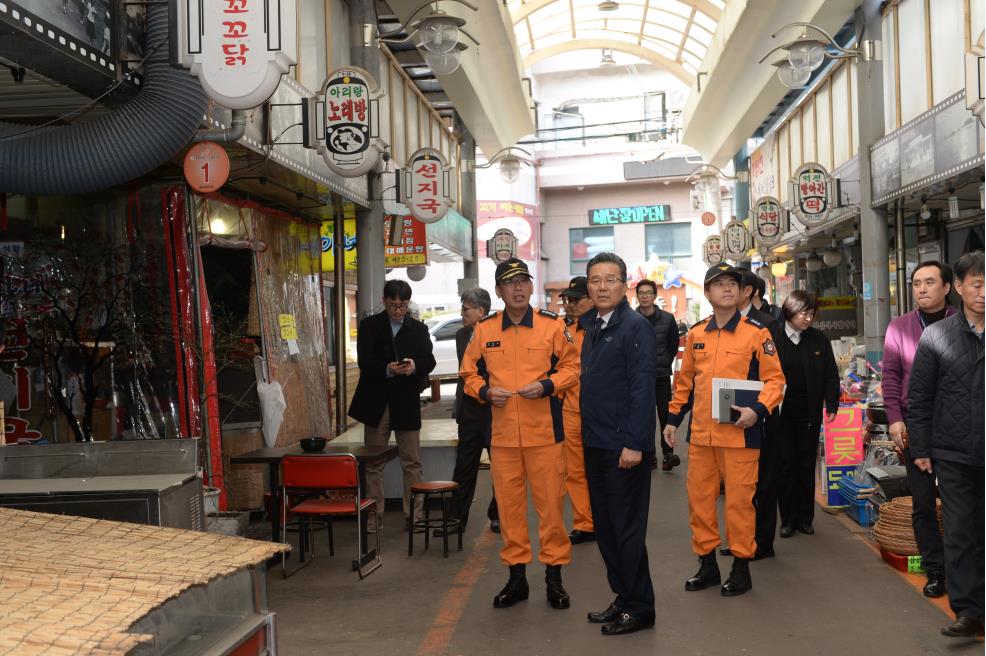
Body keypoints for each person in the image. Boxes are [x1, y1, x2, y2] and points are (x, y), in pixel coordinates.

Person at [460, 258, 579, 610]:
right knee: (510, 511)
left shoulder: (551, 327)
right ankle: (517, 579)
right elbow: (468, 373)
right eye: (510, 283)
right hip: (503, 438)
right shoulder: (484, 330)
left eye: (523, 282)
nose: (518, 288)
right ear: (499, 291)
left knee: (551, 510)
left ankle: (554, 578)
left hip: (544, 435)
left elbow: (573, 368)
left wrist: (546, 386)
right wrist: (483, 392)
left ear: (530, 287)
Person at [664, 263, 785, 597]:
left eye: (733, 283)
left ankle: (741, 567)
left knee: (739, 504)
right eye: (719, 284)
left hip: (741, 434)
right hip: (702, 435)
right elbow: (685, 383)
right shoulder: (697, 334)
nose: (727, 288)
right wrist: (673, 420)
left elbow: (776, 380)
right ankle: (707, 564)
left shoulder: (757, 333)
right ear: (707, 293)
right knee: (700, 502)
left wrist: (757, 409)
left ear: (742, 290)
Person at [579, 253, 657, 636]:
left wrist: (635, 444)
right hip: (596, 443)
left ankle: (641, 607)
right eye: (596, 279)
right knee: (607, 529)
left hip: (622, 447)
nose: (602, 286)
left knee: (626, 530)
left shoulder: (634, 326)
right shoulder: (594, 326)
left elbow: (643, 390)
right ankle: (624, 597)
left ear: (624, 285)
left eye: (611, 279)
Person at [908, 251, 984, 639]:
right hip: (952, 454)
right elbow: (918, 397)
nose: (984, 293)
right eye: (977, 284)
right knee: (959, 531)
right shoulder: (936, 336)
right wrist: (921, 447)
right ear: (959, 287)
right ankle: (969, 611)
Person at [881, 261, 955, 598]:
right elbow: (891, 378)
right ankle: (936, 570)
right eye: (916, 283)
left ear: (947, 287)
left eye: (929, 282)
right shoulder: (899, 327)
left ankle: (964, 570)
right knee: (924, 502)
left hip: (960, 425)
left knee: (961, 502)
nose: (922, 289)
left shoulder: (963, 323)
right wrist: (895, 418)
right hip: (915, 426)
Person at [348, 280, 436, 531]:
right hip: (376, 399)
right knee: (373, 461)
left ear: (408, 304)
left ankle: (414, 515)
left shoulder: (418, 329)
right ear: (384, 301)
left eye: (402, 306)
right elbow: (364, 360)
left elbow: (429, 360)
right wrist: (387, 369)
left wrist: (414, 366)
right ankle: (374, 515)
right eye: (393, 305)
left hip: (406, 400)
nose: (397, 310)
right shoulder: (369, 326)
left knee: (412, 460)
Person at [770, 291, 839, 540]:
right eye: (804, 313)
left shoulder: (819, 340)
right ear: (790, 311)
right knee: (785, 464)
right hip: (781, 413)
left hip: (809, 413)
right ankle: (787, 519)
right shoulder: (773, 337)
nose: (808, 319)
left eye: (812, 314)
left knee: (806, 464)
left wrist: (831, 403)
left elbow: (831, 374)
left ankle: (805, 518)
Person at [435, 288, 499, 538]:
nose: (462, 313)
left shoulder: (499, 331)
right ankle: (455, 519)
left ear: (481, 311)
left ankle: (499, 516)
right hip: (470, 410)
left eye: (466, 309)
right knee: (464, 467)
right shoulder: (463, 335)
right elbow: (472, 366)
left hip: (496, 409)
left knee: (501, 468)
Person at [559, 276, 596, 545]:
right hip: (571, 410)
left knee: (603, 468)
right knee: (575, 470)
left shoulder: (603, 328)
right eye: (567, 300)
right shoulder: (562, 331)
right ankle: (585, 523)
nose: (570, 305)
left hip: (601, 411)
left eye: (575, 299)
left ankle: (607, 519)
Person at [635, 278, 682, 472]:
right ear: (637, 296)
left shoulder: (667, 318)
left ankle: (668, 454)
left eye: (648, 293)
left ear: (655, 296)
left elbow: (673, 345)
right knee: (644, 418)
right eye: (641, 293)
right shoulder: (631, 319)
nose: (645, 296)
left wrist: (662, 362)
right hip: (637, 378)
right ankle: (649, 456)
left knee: (665, 416)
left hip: (661, 376)